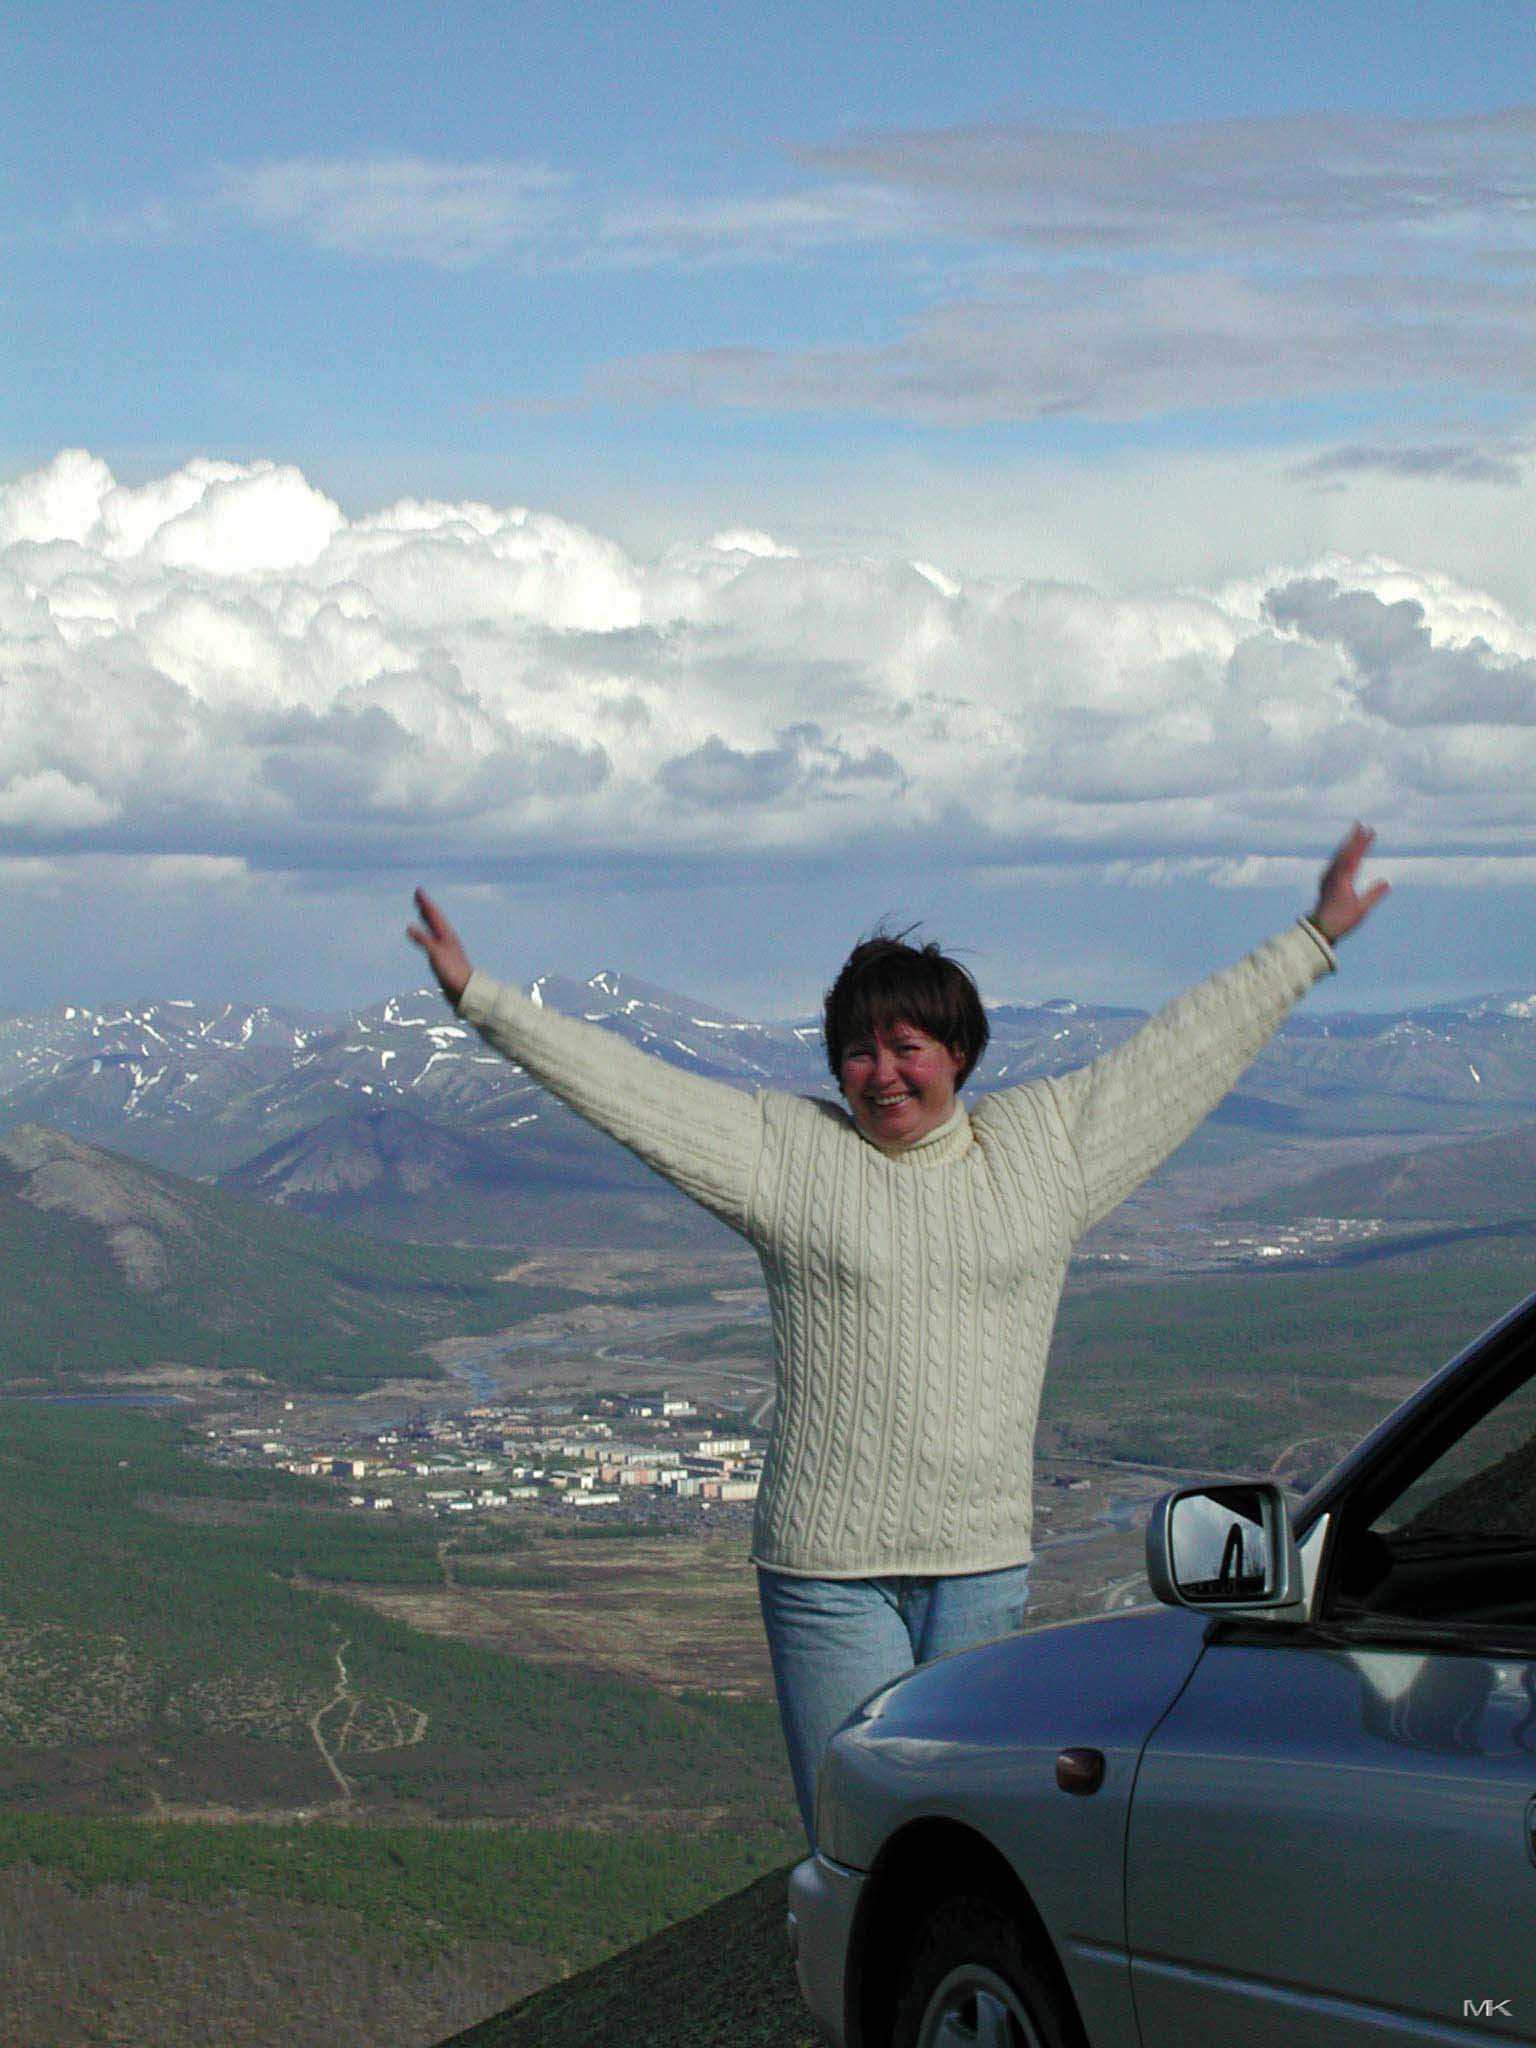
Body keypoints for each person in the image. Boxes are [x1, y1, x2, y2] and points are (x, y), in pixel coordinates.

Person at [407, 824, 1388, 1842]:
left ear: (957, 1052)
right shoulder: (786, 1153)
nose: (881, 1073)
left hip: (980, 1563)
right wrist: (482, 998)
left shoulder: (1045, 1151)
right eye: (858, 1052)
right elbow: (632, 1090)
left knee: (965, 1835)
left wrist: (1311, 938)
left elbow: (1182, 1052)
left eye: (906, 1047)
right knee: (861, 1832)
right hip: (826, 1571)